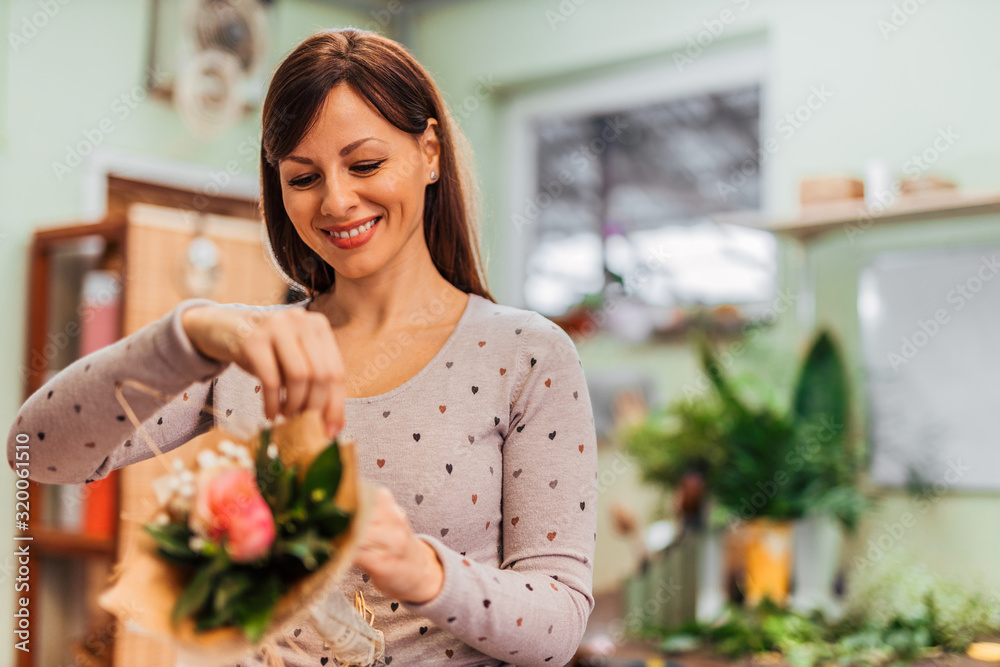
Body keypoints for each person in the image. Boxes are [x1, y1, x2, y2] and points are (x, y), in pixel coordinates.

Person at [7, 28, 597, 667]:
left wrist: (424, 572)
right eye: (303, 177)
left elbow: (559, 624)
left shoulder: (525, 356)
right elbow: (32, 451)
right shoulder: (251, 352)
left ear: (429, 152)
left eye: (365, 164)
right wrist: (189, 332)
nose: (337, 200)